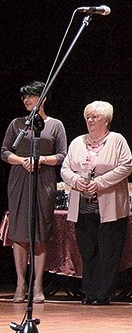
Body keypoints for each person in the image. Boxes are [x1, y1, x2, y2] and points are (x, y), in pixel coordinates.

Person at [60, 101, 132, 305]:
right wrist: (76, 180)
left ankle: (104, 294)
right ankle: (89, 292)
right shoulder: (77, 142)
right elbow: (65, 168)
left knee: (108, 251)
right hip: (83, 206)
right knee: (88, 250)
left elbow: (126, 166)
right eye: (88, 117)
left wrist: (99, 183)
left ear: (106, 120)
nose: (90, 120)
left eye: (95, 117)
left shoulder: (117, 140)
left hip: (109, 206)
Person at [1, 81, 67, 303]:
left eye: (31, 96)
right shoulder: (17, 124)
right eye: (24, 98)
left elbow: (62, 155)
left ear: (43, 98)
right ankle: (21, 283)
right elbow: (4, 152)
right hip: (20, 178)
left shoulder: (55, 125)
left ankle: (37, 285)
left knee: (39, 232)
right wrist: (22, 161)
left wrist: (41, 160)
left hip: (44, 179)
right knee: (19, 233)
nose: (27, 101)